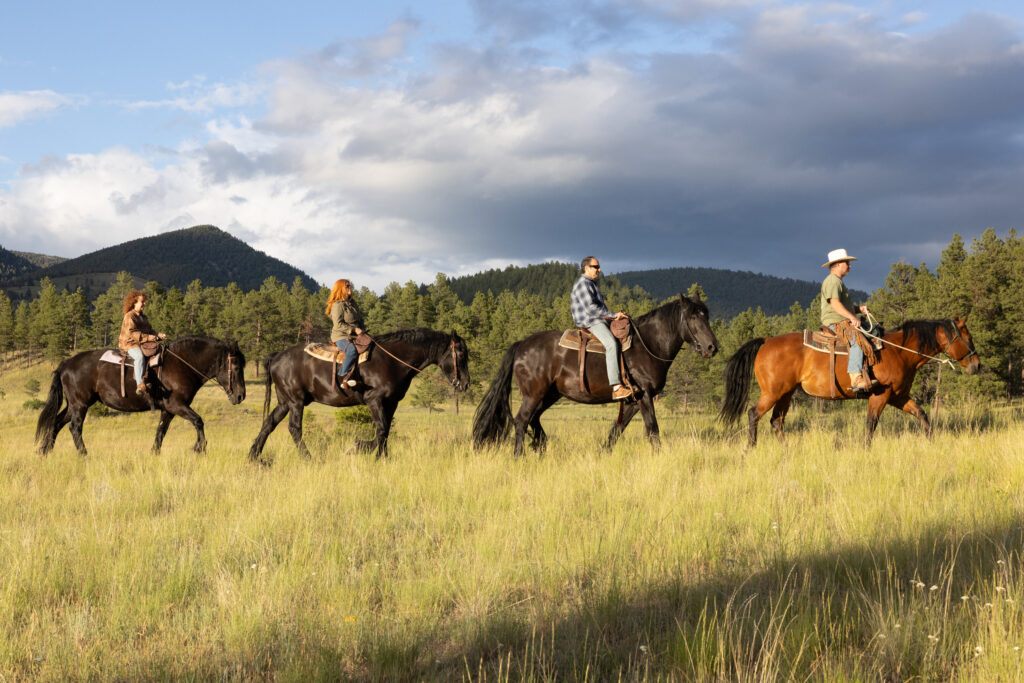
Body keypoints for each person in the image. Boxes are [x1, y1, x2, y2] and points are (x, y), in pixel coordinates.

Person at [571, 256, 634, 400]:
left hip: (598, 319)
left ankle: (628, 380)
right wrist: (613, 315)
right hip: (590, 321)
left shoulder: (591, 283)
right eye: (596, 267)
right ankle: (616, 387)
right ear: (586, 268)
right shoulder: (583, 284)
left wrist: (616, 316)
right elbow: (591, 308)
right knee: (611, 344)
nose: (599, 270)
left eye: (598, 267)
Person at [820, 249, 873, 392]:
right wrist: (852, 318)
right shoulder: (833, 281)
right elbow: (835, 304)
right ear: (837, 264)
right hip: (836, 321)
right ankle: (856, 378)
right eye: (847, 263)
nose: (849, 266)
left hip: (839, 318)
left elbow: (843, 305)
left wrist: (858, 309)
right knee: (857, 341)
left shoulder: (837, 281)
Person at [118, 290, 167, 395]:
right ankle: (140, 384)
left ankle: (149, 378)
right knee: (139, 357)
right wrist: (150, 338)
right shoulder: (129, 316)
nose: (144, 304)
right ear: (134, 303)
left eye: (144, 302)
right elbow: (133, 333)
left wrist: (158, 335)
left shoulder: (143, 317)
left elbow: (150, 330)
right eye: (142, 302)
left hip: (141, 343)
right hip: (129, 344)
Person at [326, 278, 365, 388]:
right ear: (340, 288)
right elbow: (338, 324)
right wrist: (353, 330)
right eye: (347, 285)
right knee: (352, 351)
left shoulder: (353, 303)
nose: (350, 287)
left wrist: (363, 331)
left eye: (350, 285)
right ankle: (342, 376)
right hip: (341, 336)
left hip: (355, 335)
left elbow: (360, 320)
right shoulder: (337, 305)